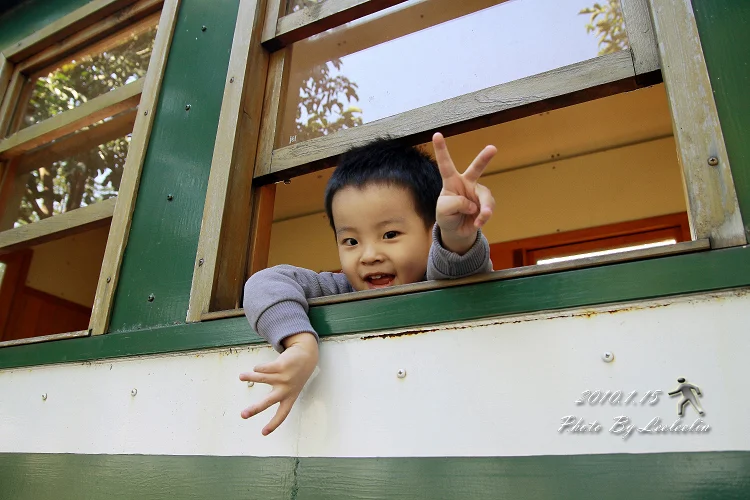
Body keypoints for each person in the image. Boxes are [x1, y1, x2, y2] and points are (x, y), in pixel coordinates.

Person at [240, 132, 497, 435]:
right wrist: (299, 342)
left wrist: (457, 235)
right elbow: (265, 283)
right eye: (351, 241)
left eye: (389, 235)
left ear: (433, 230)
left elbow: (460, 270)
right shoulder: (340, 290)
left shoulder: (440, 275)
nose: (369, 255)